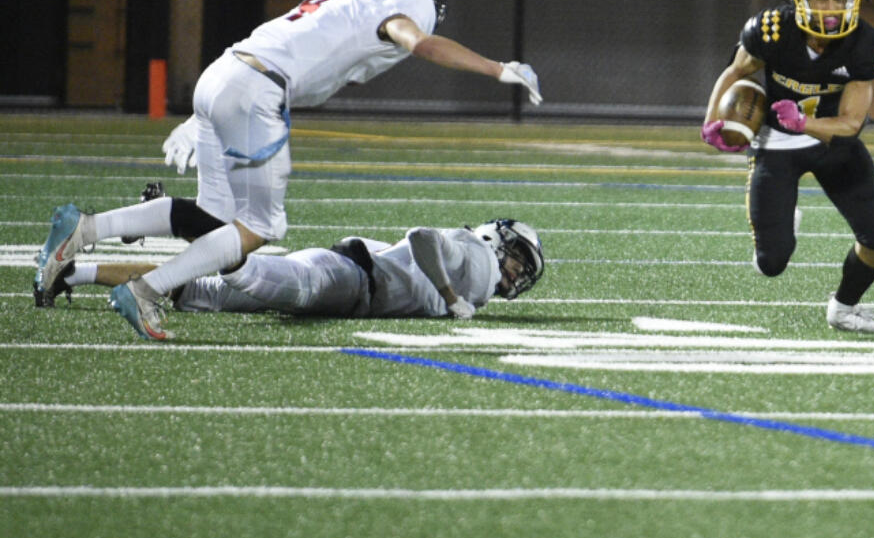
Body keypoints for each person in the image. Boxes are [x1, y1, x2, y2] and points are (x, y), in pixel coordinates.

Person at [34, 0, 544, 341]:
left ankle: (84, 228)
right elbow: (419, 43)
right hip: (256, 89)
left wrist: (201, 115)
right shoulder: (405, 0)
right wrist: (499, 69)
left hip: (229, 69)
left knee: (216, 220)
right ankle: (144, 290)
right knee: (261, 227)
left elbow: (292, 44)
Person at [701, 0, 874, 335]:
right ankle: (779, 220)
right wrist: (711, 122)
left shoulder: (865, 44)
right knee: (770, 264)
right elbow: (735, 71)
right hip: (775, 143)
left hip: (832, 144)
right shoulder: (772, 29)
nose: (830, 8)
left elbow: (852, 122)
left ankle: (843, 308)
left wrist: (805, 123)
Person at [36, 218, 543, 323]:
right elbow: (422, 238)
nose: (515, 275)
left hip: (349, 283)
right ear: (497, 241)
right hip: (348, 279)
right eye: (518, 259)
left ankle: (73, 273)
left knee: (200, 290)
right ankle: (200, 226)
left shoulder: (478, 281)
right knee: (268, 279)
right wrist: (450, 292)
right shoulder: (475, 259)